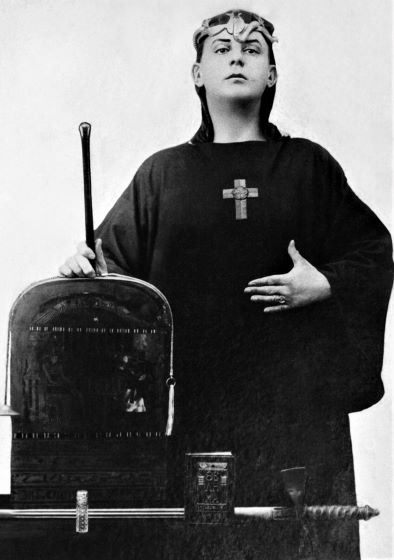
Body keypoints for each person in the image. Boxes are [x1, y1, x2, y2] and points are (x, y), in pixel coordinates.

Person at [59, 9, 393, 560]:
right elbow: (113, 279)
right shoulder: (163, 175)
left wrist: (326, 284)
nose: (237, 56)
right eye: (221, 48)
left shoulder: (308, 167)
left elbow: (373, 252)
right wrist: (86, 270)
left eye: (252, 48)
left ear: (272, 74)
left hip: (294, 409)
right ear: (197, 74)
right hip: (193, 405)